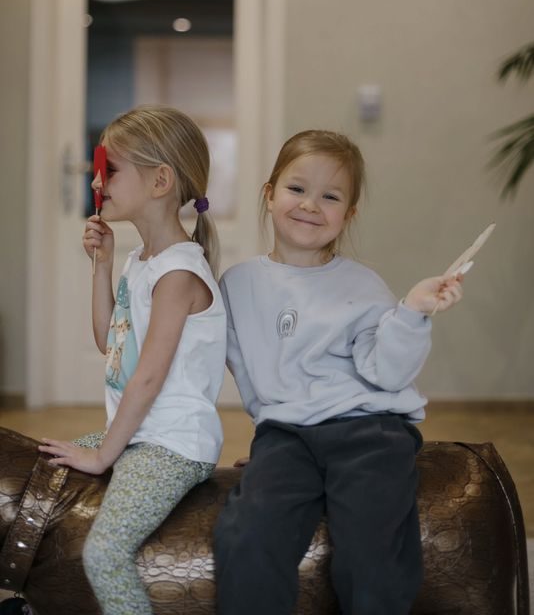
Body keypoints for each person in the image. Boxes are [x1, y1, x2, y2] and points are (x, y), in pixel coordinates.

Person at [213, 129, 464, 615]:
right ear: (269, 194)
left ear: (347, 214)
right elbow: (247, 373)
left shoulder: (363, 285)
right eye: (297, 188)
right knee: (247, 534)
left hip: (370, 431)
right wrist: (269, 441)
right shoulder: (237, 285)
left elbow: (388, 373)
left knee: (373, 549)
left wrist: (412, 312)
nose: (311, 205)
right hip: (288, 436)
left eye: (330, 196)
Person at [39, 105, 227, 615]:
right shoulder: (140, 261)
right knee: (45, 470)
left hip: (171, 446)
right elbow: (111, 343)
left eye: (111, 168)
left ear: (160, 181)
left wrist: (104, 454)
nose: (97, 180)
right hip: (143, 434)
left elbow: (147, 378)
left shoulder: (178, 274)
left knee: (104, 553)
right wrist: (101, 266)